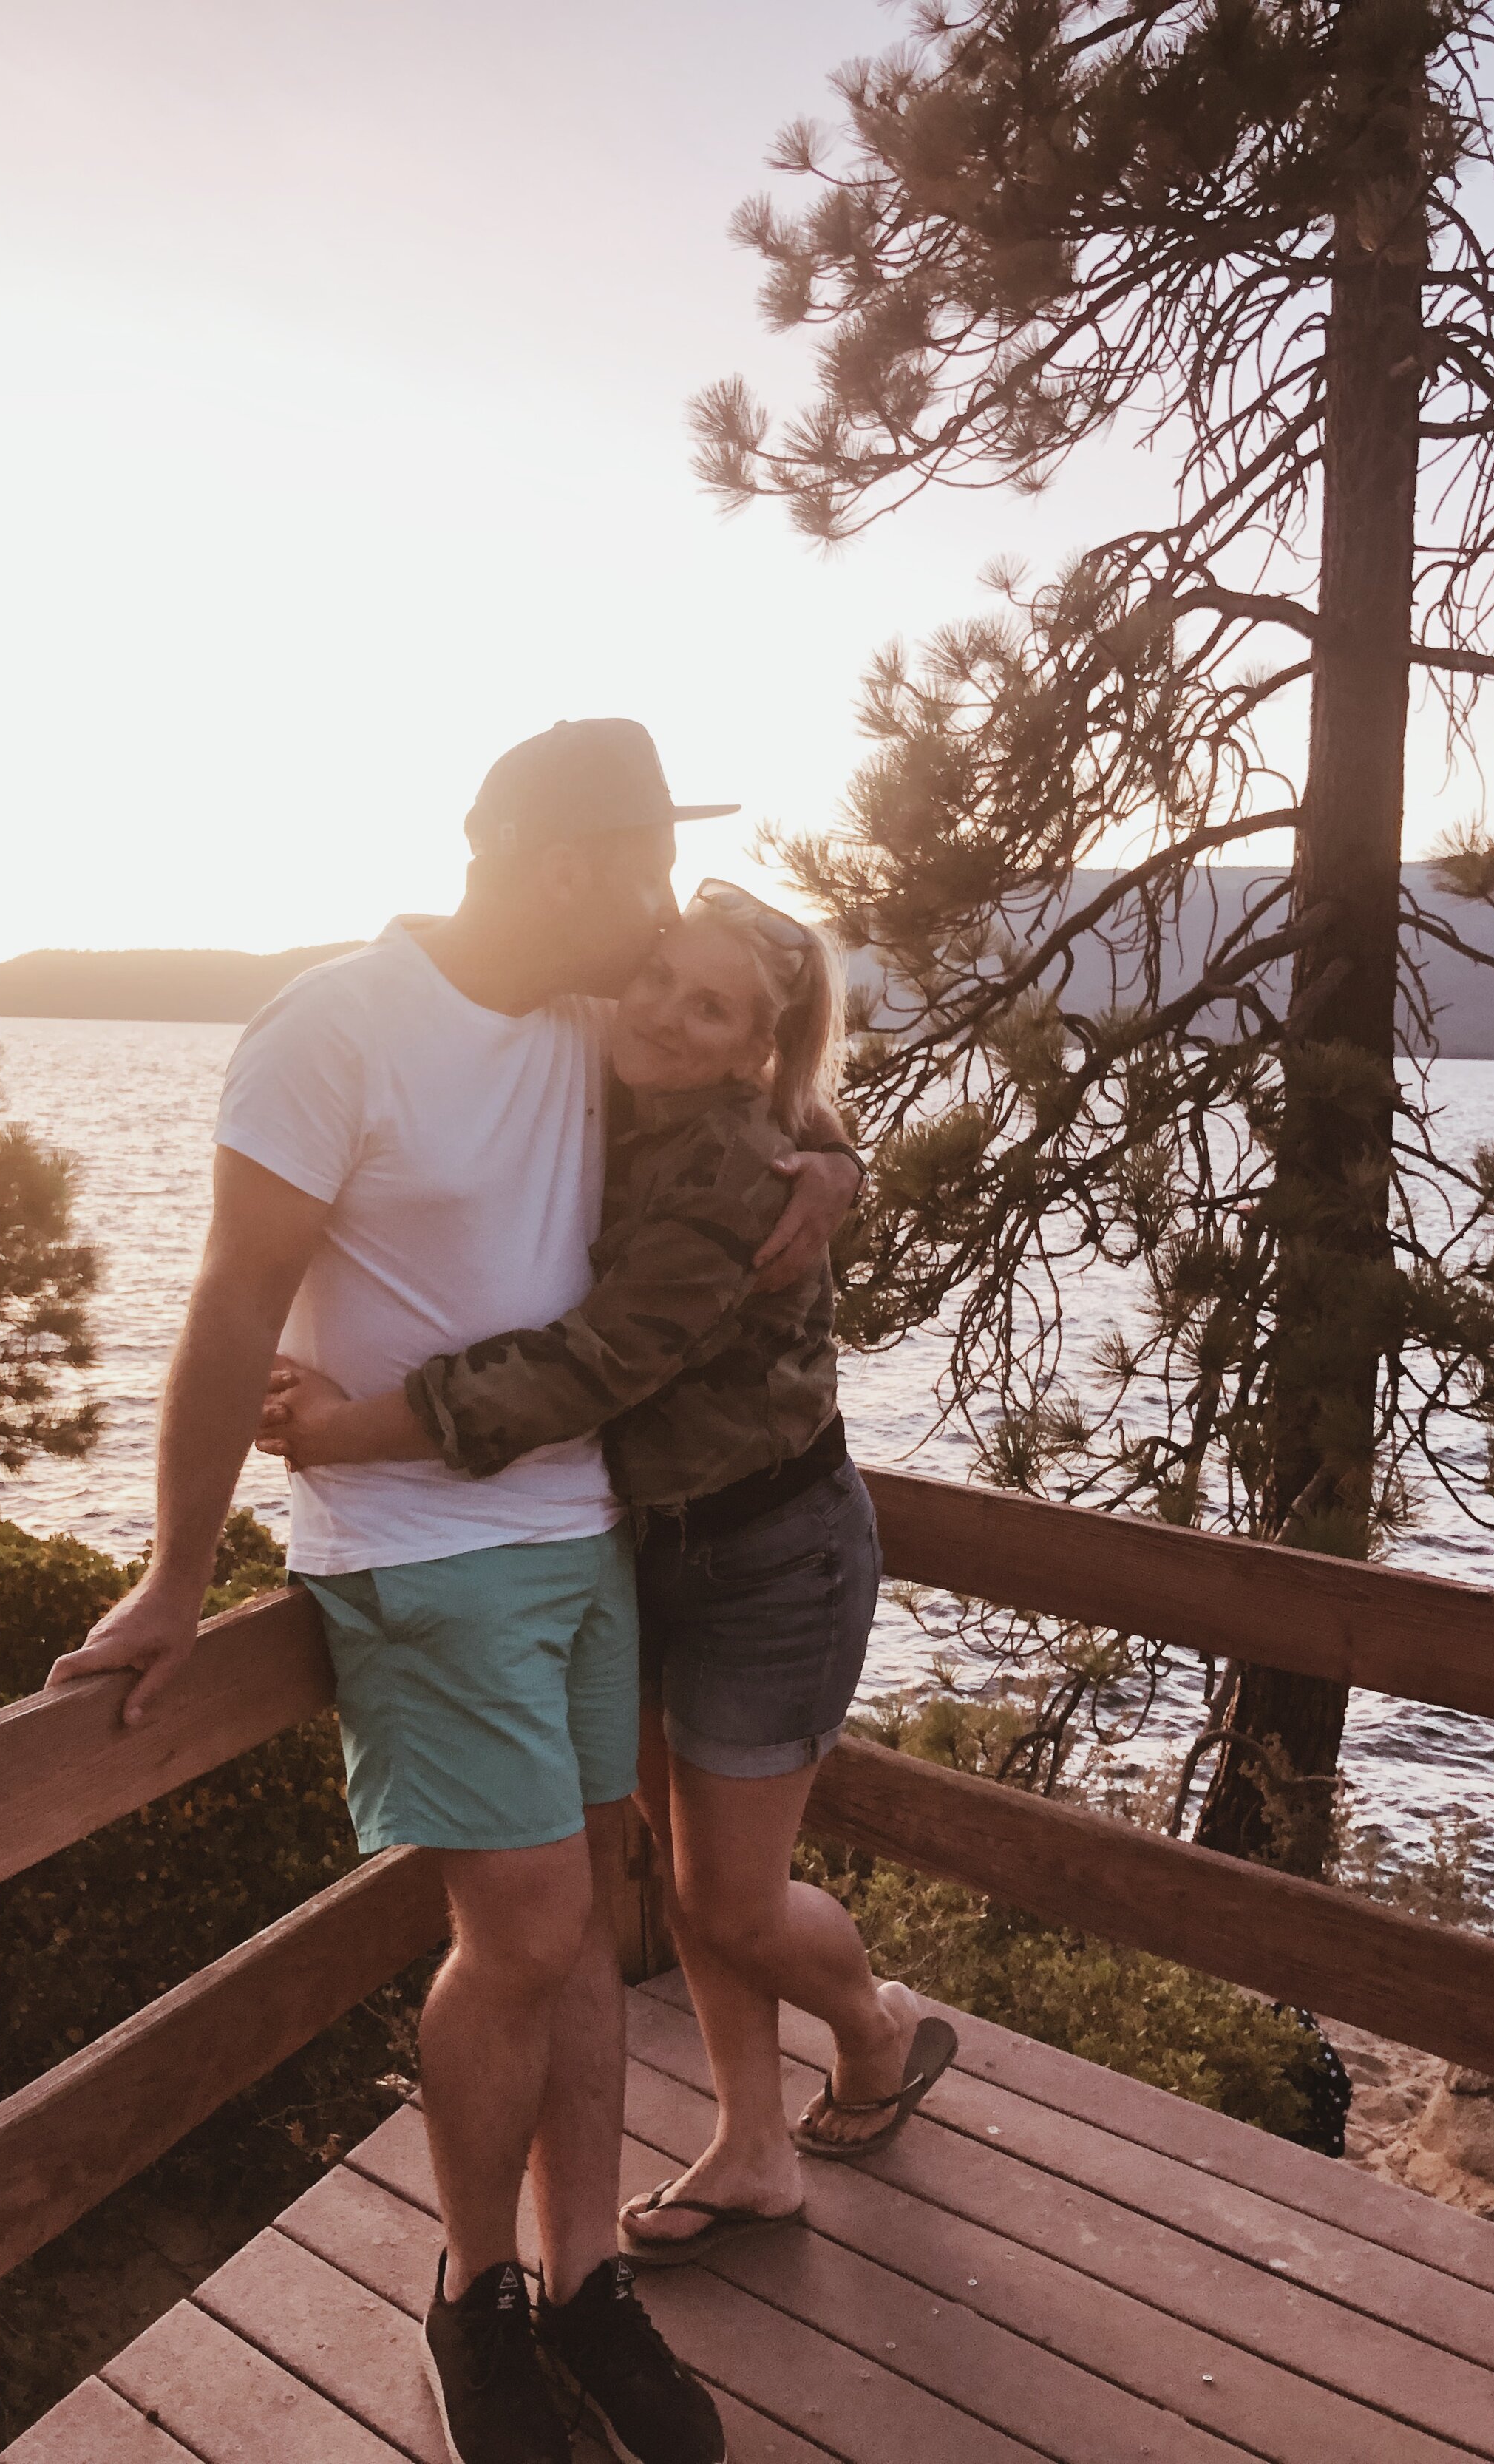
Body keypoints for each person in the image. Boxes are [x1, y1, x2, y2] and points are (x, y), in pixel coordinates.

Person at [44, 719, 860, 2464]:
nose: (654, 920)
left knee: (584, 1905)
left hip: (583, 1536)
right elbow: (228, 1299)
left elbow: (761, 1078)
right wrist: (177, 1570)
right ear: (566, 865)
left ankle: (580, 2283)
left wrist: (832, 1157)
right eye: (640, 872)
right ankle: (471, 2288)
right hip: (422, 1551)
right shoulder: (332, 1027)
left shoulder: (587, 1016)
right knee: (524, 1932)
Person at [254, 875, 958, 2281]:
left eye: (713, 1008)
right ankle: (756, 2148)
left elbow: (588, 1367)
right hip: (647, 1544)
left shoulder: (730, 1179)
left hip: (773, 1555)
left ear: (754, 1045)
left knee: (729, 1901)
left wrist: (339, 1429)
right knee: (681, 1876)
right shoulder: (601, 1057)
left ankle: (876, 2028)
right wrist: (846, 1159)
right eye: (662, 979)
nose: (665, 1015)